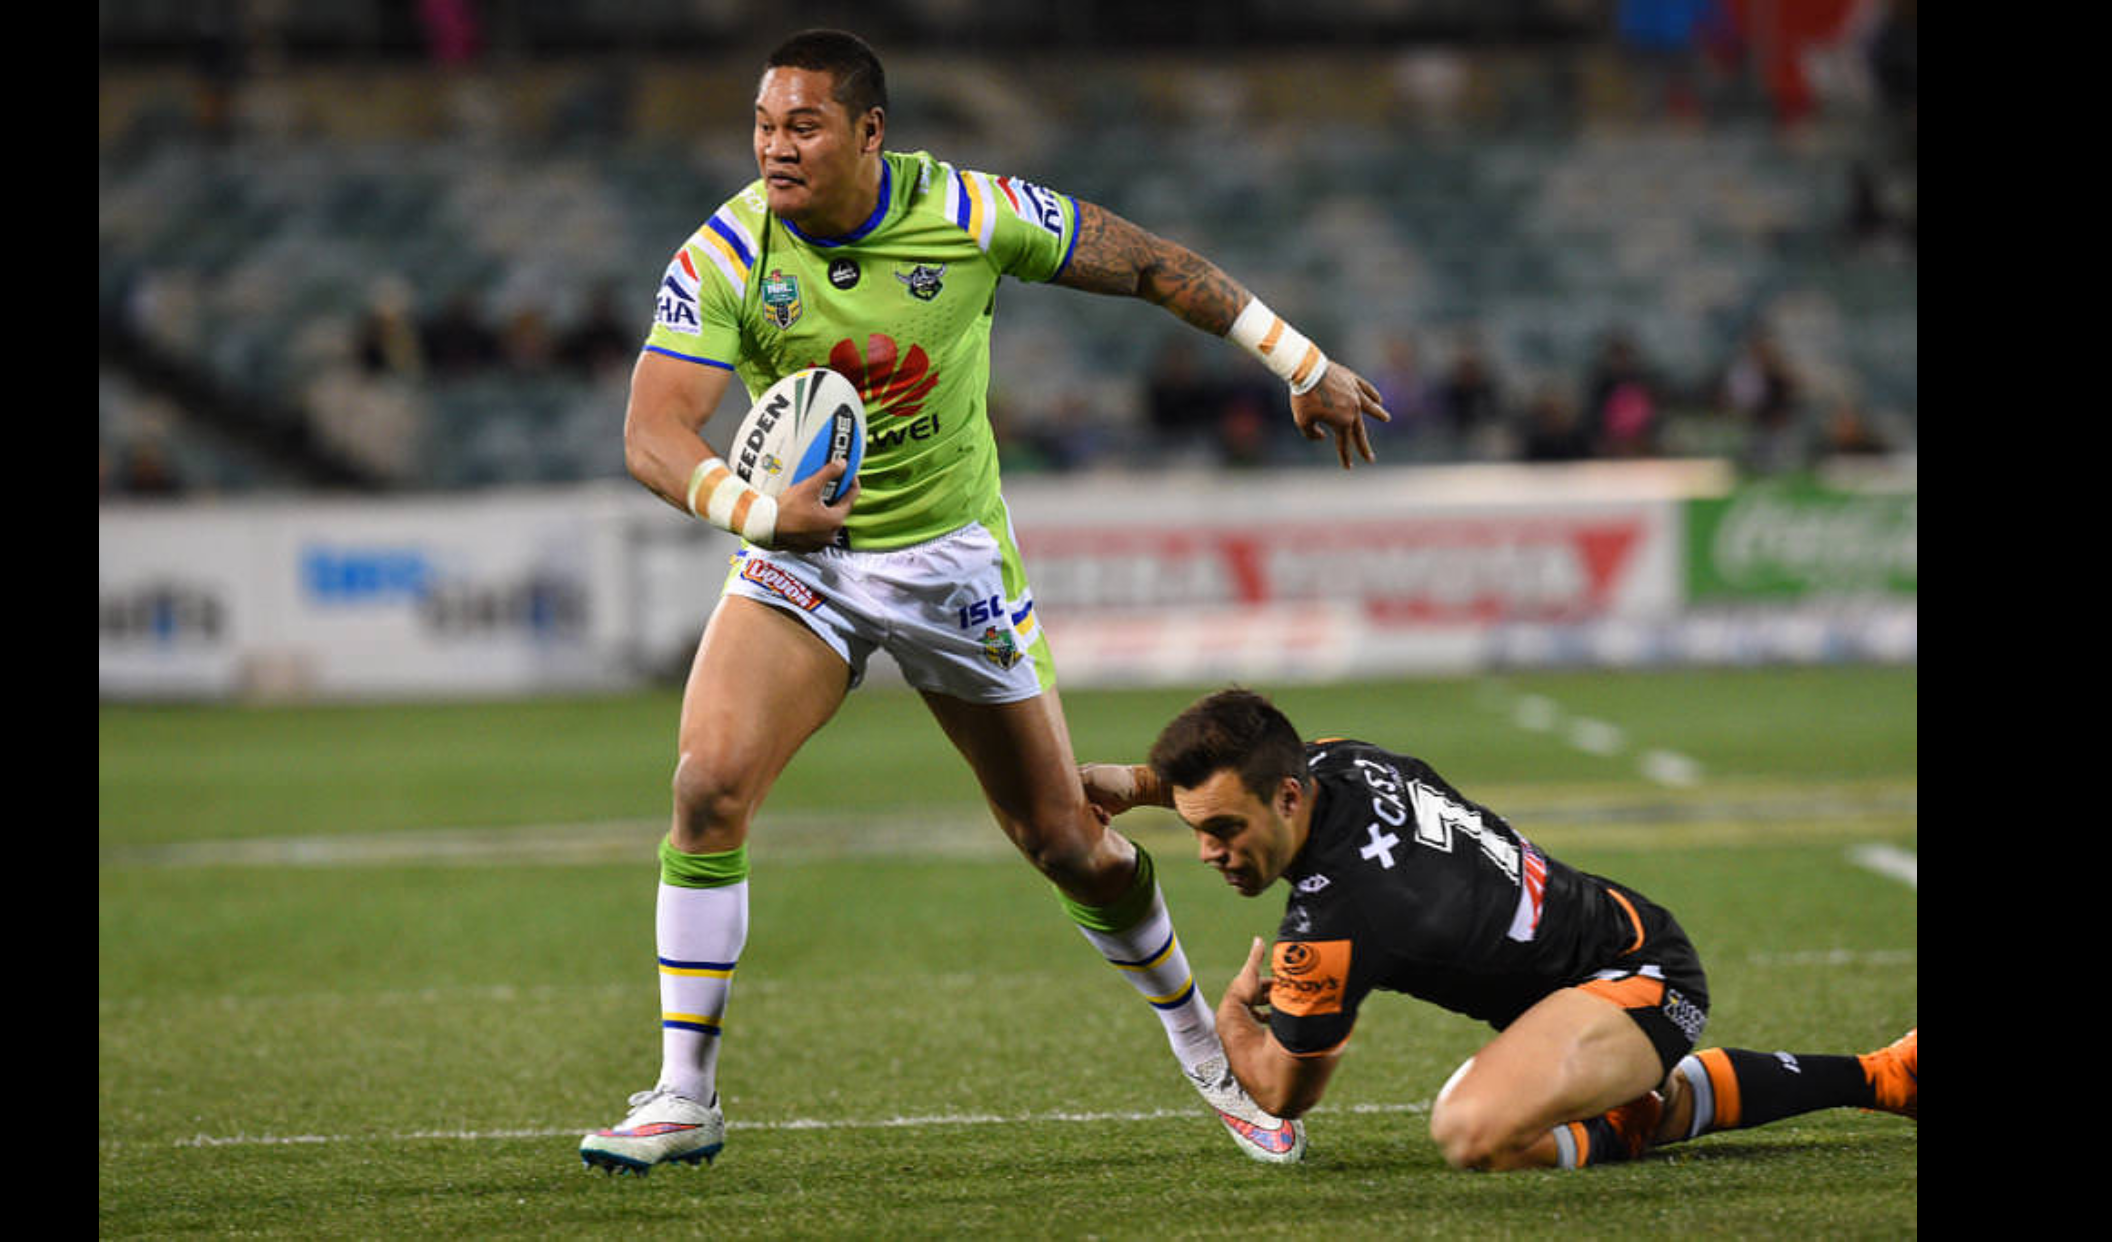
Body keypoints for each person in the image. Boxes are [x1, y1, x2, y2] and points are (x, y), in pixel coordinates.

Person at [579, 30, 1391, 1177]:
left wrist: (1301, 363)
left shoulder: (968, 212)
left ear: (870, 132)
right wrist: (757, 514)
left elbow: (1151, 264)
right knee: (706, 787)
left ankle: (1210, 1056)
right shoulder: (728, 249)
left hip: (951, 563)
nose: (775, 148)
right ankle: (683, 1095)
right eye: (763, 126)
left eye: (804, 125)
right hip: (804, 555)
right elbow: (652, 430)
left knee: (1065, 841)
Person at [1079, 687, 1916, 1171]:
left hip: (1632, 979)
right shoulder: (1341, 759)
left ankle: (1630, 1118)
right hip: (1614, 942)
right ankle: (1885, 1076)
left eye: (1224, 830)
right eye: (1197, 827)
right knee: (1532, 1100)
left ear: (1289, 799)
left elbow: (1281, 1093)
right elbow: (1252, 768)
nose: (1207, 852)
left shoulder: (1335, 920)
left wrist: (1231, 1015)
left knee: (1474, 1131)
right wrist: (1138, 783)